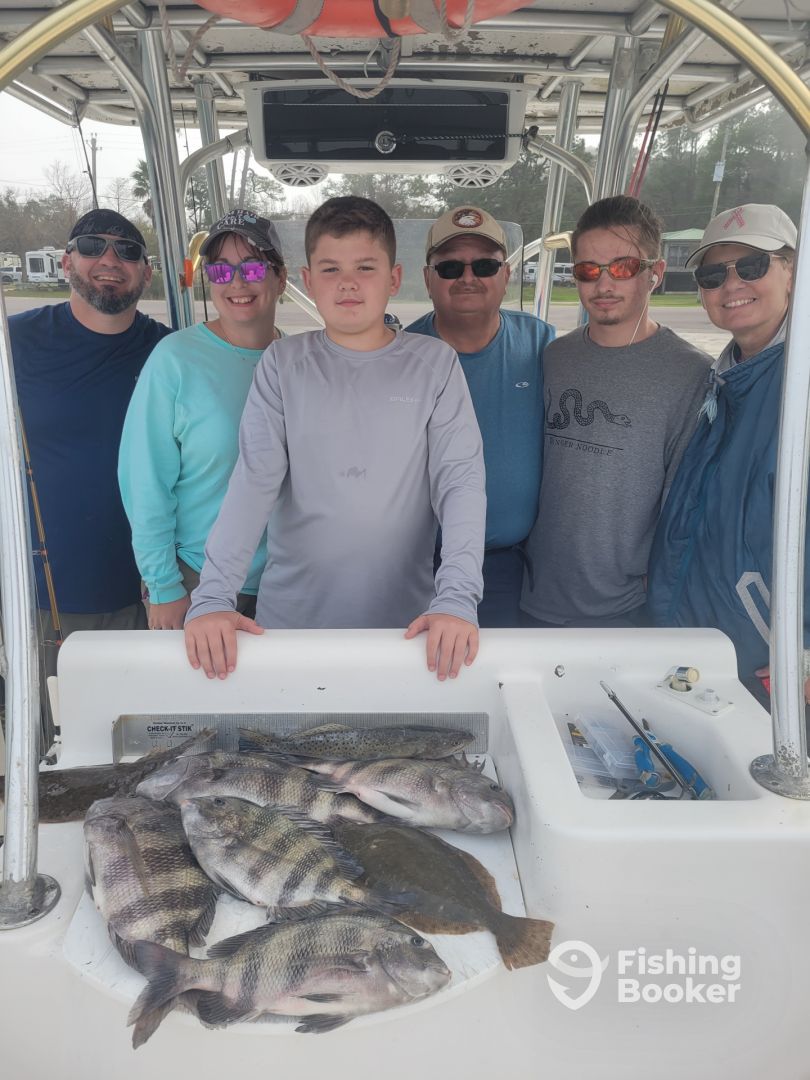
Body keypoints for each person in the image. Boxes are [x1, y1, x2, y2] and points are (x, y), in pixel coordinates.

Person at [184, 196, 486, 681]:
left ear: (393, 278)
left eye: (365, 267)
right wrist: (214, 596)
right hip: (289, 630)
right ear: (307, 281)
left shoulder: (436, 364)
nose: (348, 283)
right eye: (330, 269)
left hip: (410, 633)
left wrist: (456, 598)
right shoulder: (281, 365)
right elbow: (253, 482)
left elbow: (460, 484)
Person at [8, 208, 171, 742]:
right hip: (45, 598)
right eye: (92, 246)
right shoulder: (13, 341)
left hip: (153, 595)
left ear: (146, 272)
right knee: (55, 748)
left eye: (128, 251)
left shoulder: (170, 351)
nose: (109, 260)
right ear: (66, 262)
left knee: (146, 747)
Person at [520, 195, 711, 628]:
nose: (603, 284)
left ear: (654, 273)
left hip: (625, 607)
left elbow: (686, 502)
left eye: (623, 267)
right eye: (588, 270)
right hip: (535, 593)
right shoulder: (555, 357)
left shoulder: (692, 373)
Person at [647, 203, 800, 705]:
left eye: (752, 266)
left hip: (772, 673)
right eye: (713, 275)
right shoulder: (725, 379)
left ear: (792, 270)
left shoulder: (799, 386)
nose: (732, 285)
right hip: (702, 655)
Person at [118, 209, 287, 630]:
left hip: (288, 584)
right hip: (197, 581)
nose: (237, 283)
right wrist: (163, 586)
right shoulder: (174, 359)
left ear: (281, 278)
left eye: (253, 267)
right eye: (221, 270)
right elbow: (145, 482)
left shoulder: (299, 361)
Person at [407, 205, 555, 626]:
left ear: (506, 276)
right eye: (450, 267)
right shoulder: (401, 354)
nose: (468, 277)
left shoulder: (541, 342)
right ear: (428, 279)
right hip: (417, 566)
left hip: (509, 568)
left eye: (485, 265)